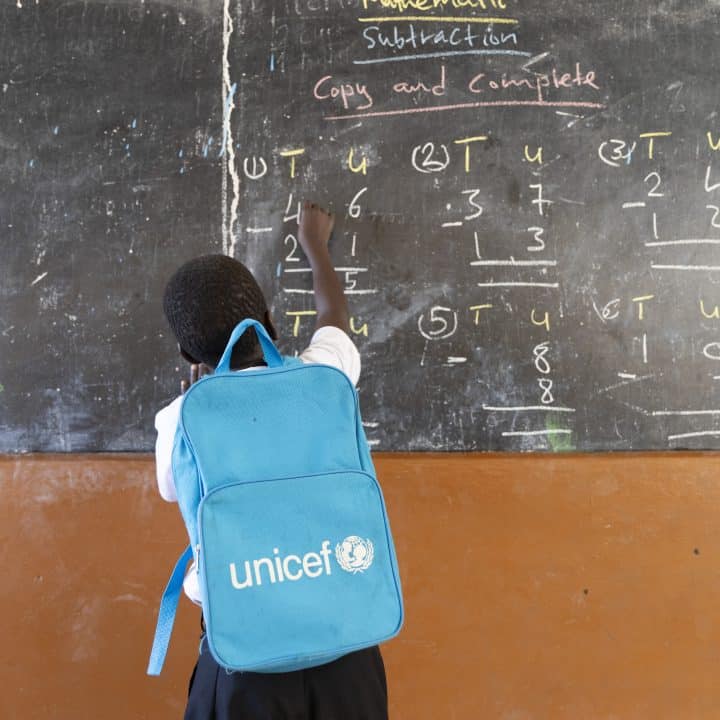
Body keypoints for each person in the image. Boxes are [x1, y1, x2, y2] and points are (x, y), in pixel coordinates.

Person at [154, 202, 388, 720]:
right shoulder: (325, 376)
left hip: (243, 660)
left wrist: (195, 403)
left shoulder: (178, 421)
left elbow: (173, 490)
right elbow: (335, 317)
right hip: (346, 647)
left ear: (189, 358)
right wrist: (316, 246)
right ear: (268, 323)